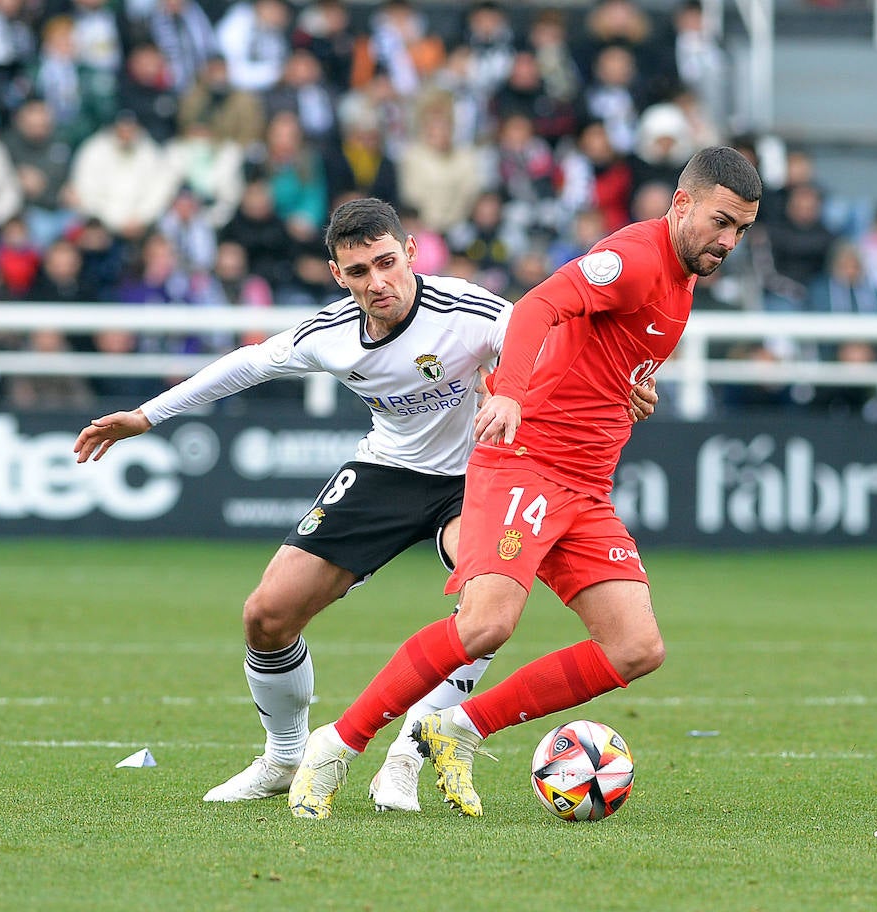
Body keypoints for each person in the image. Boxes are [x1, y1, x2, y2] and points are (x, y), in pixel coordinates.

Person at [72, 197, 660, 811]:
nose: (377, 283)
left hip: (480, 475)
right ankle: (283, 756)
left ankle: (409, 751)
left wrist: (628, 383)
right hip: (387, 471)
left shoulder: (472, 312)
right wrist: (145, 415)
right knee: (266, 615)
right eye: (358, 272)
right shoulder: (329, 334)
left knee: (484, 612)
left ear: (411, 253)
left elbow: (556, 345)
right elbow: (246, 366)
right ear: (338, 275)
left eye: (386, 263)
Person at [285, 145, 762, 820]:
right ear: (682, 203)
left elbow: (607, 346)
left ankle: (458, 728)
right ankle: (335, 746)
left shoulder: (682, 276)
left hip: (587, 488)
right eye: (720, 222)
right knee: (486, 625)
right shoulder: (632, 258)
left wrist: (634, 384)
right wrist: (507, 392)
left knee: (636, 648)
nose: (728, 241)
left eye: (740, 230)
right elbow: (539, 306)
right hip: (528, 464)